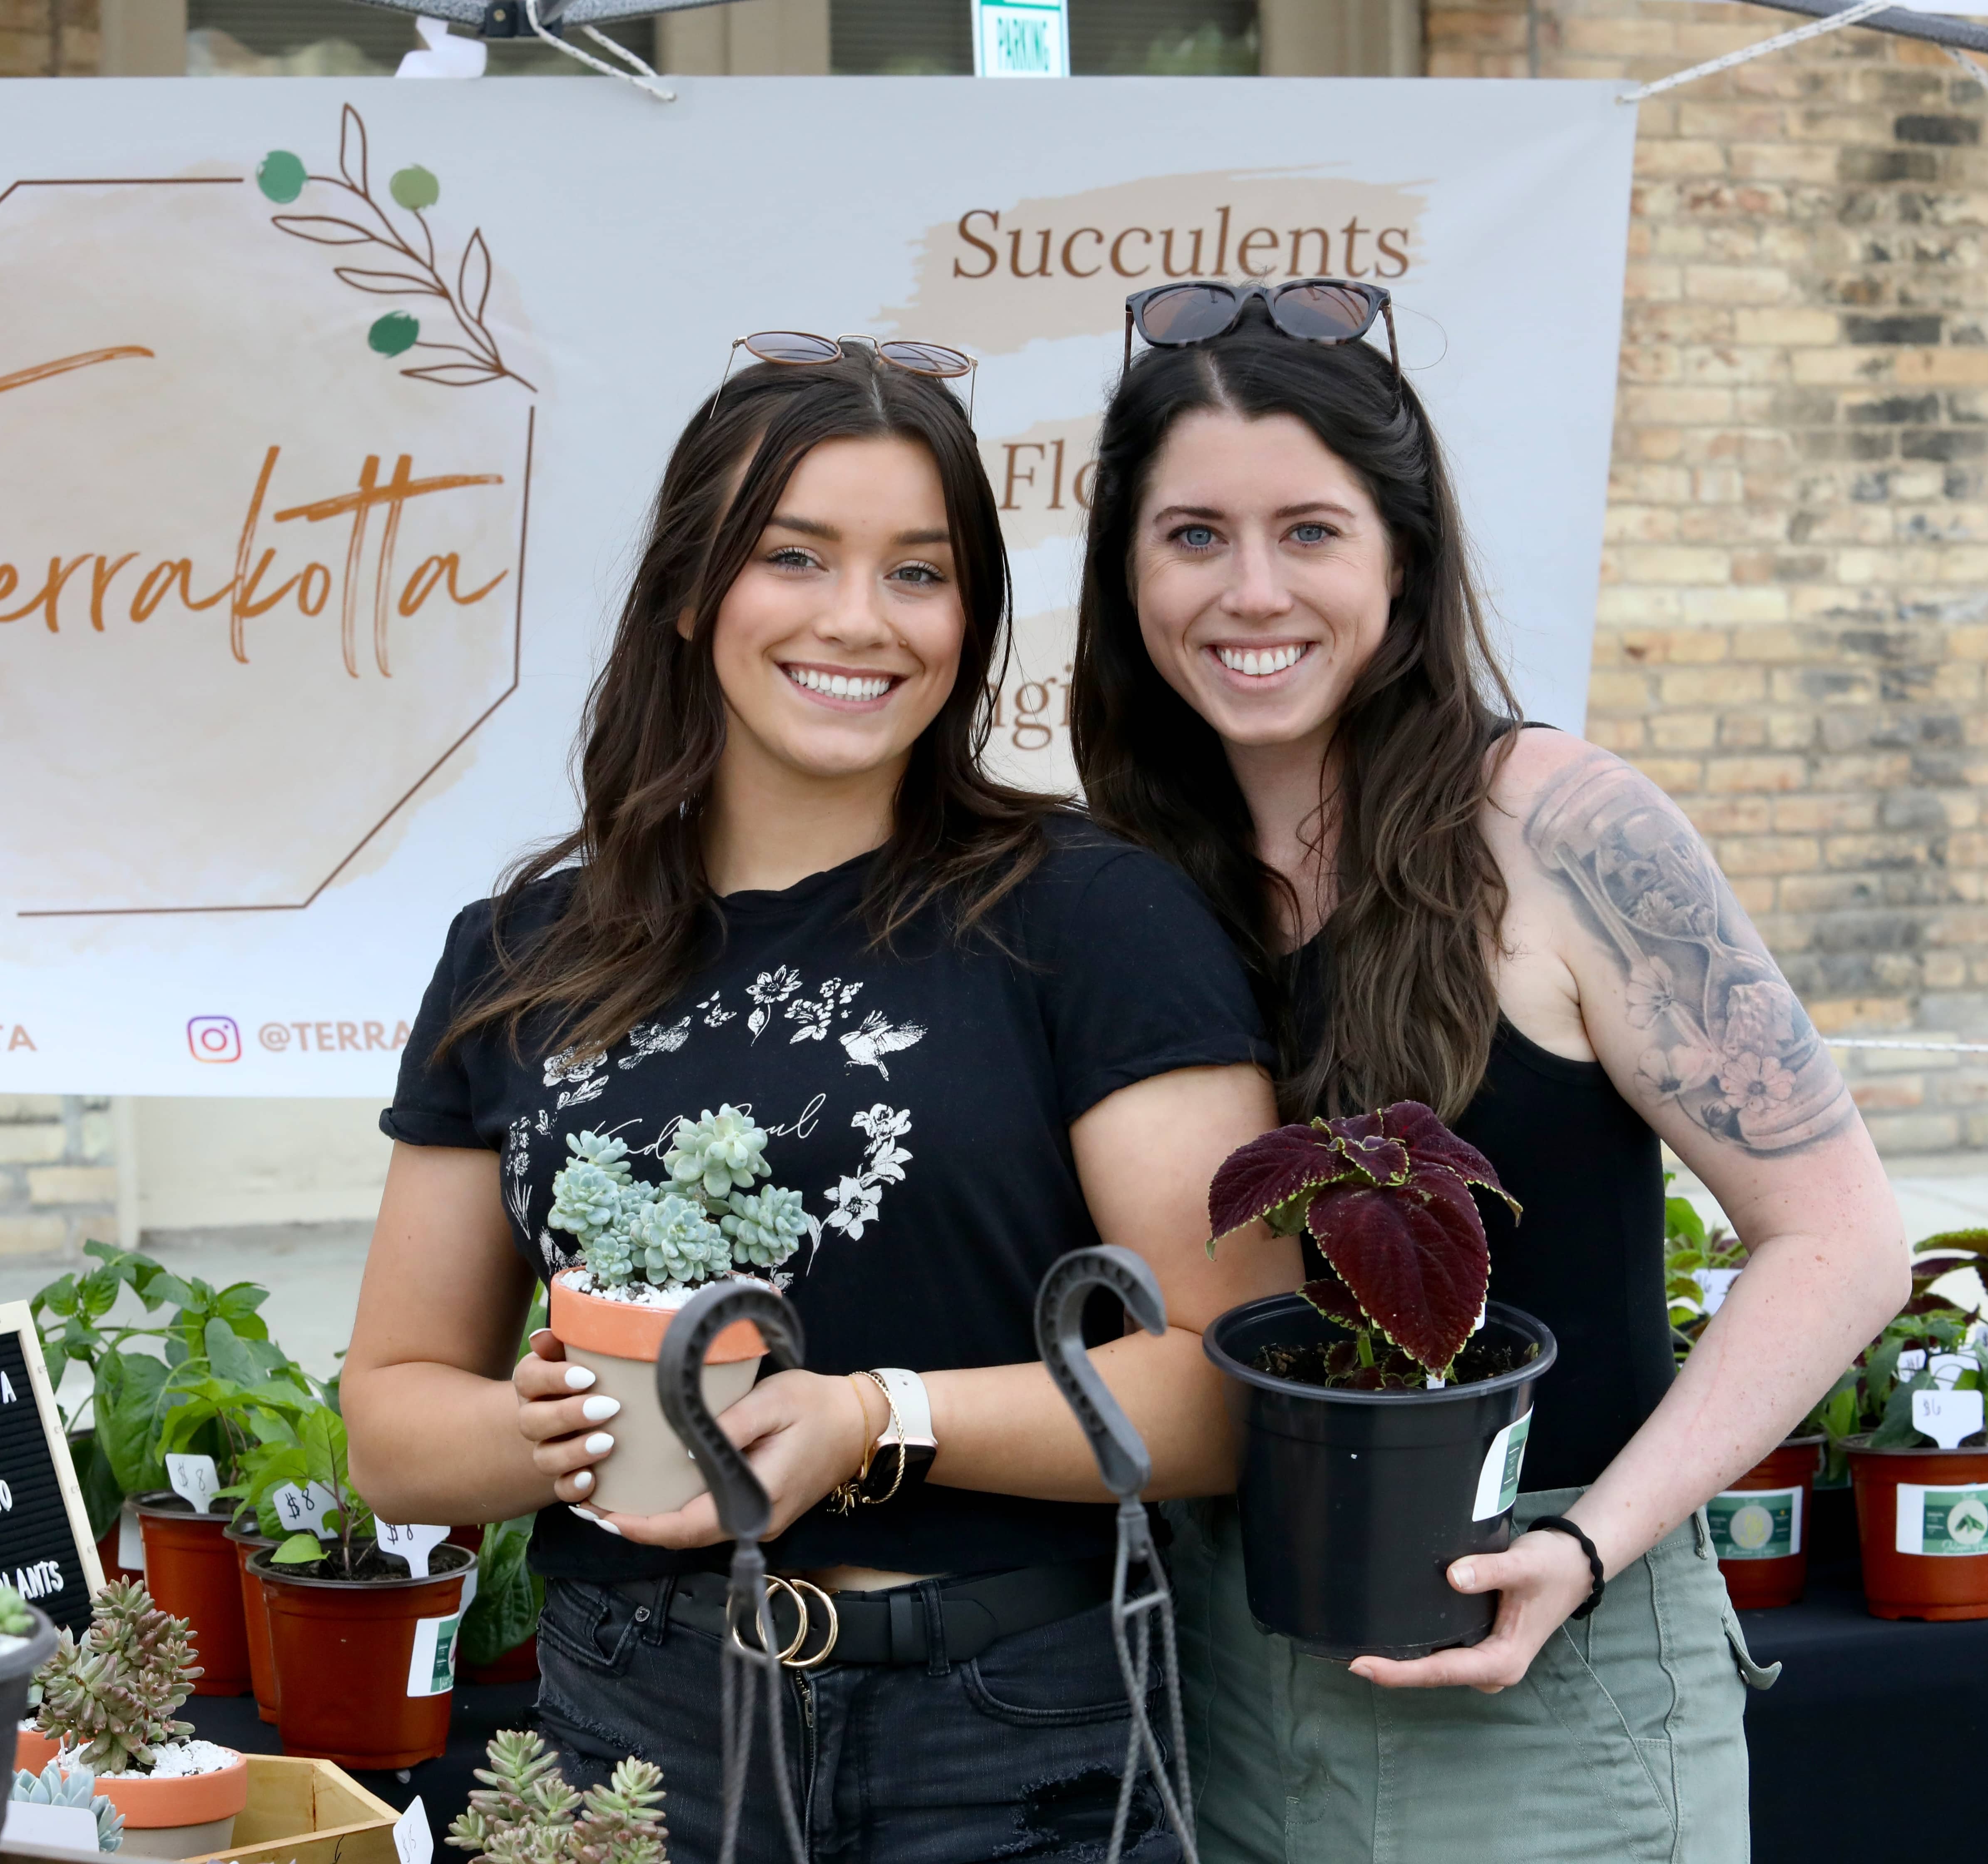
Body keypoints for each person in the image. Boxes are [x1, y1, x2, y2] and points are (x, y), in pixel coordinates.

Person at [338, 335, 1292, 1863]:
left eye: (919, 573)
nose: (860, 619)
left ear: (970, 620)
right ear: (691, 592)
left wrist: (869, 1421)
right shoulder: (524, 955)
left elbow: (1229, 1380)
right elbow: (392, 1417)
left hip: (1010, 1734)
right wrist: (576, 1434)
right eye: (796, 557)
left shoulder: (1090, 917)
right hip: (630, 1734)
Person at [1068, 281, 1912, 1862]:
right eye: (1193, 536)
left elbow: (1844, 1239)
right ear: (1126, 572)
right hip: (1219, 1683)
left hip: (1550, 1682)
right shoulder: (1116, 878)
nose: (1252, 591)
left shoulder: (1557, 830)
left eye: (1309, 531)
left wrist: (1589, 1549)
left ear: (1404, 552)